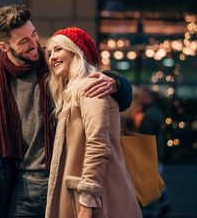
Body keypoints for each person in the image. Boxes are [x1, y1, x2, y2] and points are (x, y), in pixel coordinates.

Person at [0, 5, 133, 218]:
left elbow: (103, 93)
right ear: (4, 47)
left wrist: (116, 82)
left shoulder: (56, 66)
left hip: (62, 180)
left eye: (33, 35)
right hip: (23, 188)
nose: (35, 45)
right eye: (24, 42)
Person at [44, 27, 142, 218]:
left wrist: (87, 202)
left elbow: (97, 144)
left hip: (96, 200)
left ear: (75, 50)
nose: (52, 57)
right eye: (49, 53)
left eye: (58, 49)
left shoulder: (90, 85)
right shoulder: (73, 89)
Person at [137, 86, 170, 217]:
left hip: (150, 152)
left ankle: (151, 209)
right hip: (154, 152)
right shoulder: (153, 111)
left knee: (151, 182)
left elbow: (145, 135)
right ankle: (164, 204)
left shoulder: (150, 114)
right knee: (155, 180)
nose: (140, 98)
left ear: (147, 96)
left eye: (141, 95)